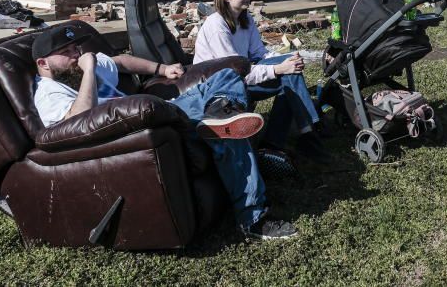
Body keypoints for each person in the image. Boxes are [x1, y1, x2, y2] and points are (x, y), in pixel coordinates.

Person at [31, 23, 296, 240]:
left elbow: (121, 61)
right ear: (43, 63)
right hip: (151, 125)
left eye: (77, 47)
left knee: (226, 78)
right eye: (67, 52)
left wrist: (161, 68)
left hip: (169, 108)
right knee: (228, 131)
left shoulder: (81, 67)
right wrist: (89, 71)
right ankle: (253, 219)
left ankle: (219, 113)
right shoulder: (49, 93)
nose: (78, 54)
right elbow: (78, 122)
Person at [193, 0, 328, 163]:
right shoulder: (217, 26)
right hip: (221, 89)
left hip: (239, 78)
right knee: (287, 74)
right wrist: (278, 69)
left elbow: (259, 54)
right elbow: (235, 74)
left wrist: (288, 60)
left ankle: (295, 138)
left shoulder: (244, 18)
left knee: (290, 72)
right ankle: (304, 134)